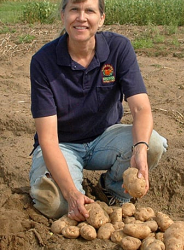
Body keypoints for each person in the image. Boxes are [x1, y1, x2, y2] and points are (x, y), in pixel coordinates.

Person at [29, 0, 167, 221]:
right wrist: (72, 194)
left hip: (105, 139)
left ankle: (111, 190)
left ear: (101, 18)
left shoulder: (119, 48)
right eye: (74, 9)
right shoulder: (43, 61)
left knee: (153, 144)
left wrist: (140, 150)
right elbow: (48, 139)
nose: (81, 18)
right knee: (57, 205)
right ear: (63, 14)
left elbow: (141, 109)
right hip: (62, 145)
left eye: (90, 11)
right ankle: (72, 190)